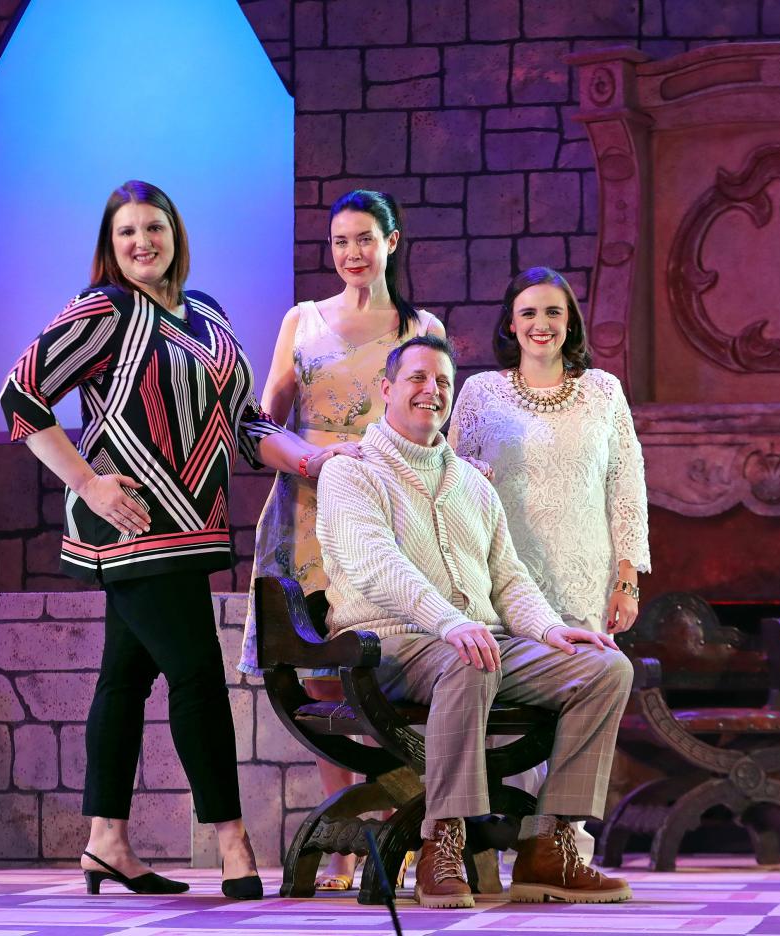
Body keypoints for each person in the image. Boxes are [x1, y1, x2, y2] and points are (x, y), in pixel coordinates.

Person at [0, 181, 314, 900]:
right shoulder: (104, 309)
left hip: (192, 526)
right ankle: (233, 845)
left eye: (154, 227)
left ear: (176, 232)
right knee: (198, 676)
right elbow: (18, 395)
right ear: (109, 247)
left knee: (126, 678)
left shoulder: (209, 313)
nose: (142, 242)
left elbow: (244, 423)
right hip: (133, 531)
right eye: (126, 233)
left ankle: (105, 841)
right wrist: (90, 485)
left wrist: (311, 458)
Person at [316, 334, 635, 909]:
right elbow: (375, 565)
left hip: (475, 644)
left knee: (605, 668)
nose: (430, 391)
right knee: (471, 657)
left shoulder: (470, 482)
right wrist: (448, 622)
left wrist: (548, 630)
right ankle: (445, 838)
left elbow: (507, 576)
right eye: (416, 378)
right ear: (387, 389)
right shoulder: (352, 473)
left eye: (441, 381)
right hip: (389, 646)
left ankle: (549, 845)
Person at [240, 189, 444, 890]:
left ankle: (406, 826)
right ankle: (347, 831)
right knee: (323, 671)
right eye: (340, 242)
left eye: (365, 239)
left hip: (389, 511)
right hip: (308, 510)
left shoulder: (420, 325)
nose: (353, 254)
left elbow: (433, 418)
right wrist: (310, 458)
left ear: (393, 240)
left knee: (397, 666)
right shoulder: (303, 320)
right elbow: (262, 423)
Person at [448, 266, 651, 860]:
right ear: (510, 323)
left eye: (553, 313)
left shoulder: (603, 392)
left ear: (571, 323)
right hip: (505, 576)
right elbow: (451, 479)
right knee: (506, 703)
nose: (541, 324)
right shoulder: (479, 393)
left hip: (585, 573)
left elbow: (626, 485)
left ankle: (563, 843)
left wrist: (627, 578)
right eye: (529, 313)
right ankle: (487, 836)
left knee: (582, 693)